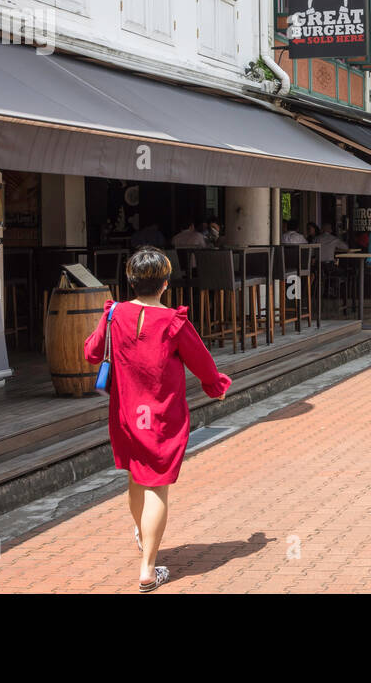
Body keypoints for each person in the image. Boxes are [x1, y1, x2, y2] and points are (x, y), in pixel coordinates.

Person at [83, 247, 231, 593]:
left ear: (131, 281)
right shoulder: (173, 322)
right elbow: (203, 362)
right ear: (165, 283)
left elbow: (91, 352)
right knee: (156, 485)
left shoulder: (114, 314)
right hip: (161, 416)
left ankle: (142, 535)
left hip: (124, 413)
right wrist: (216, 386)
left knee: (137, 476)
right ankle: (148, 568)